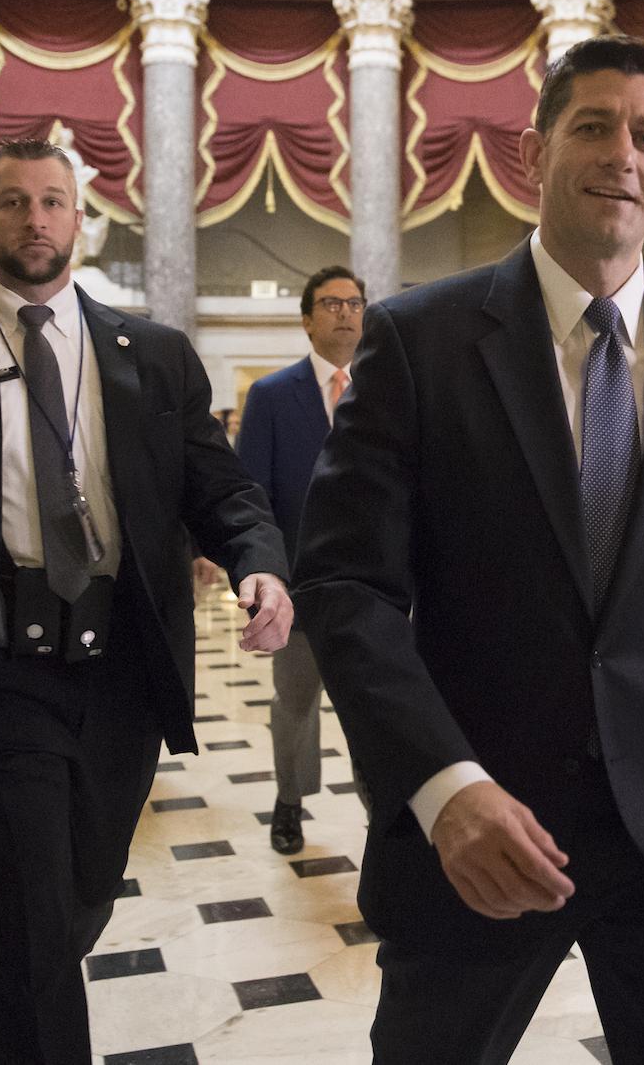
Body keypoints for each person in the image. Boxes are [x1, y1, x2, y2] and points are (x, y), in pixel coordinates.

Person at [285, 35, 644, 1064]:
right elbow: (346, 584)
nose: (620, 154)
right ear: (535, 150)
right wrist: (441, 785)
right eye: (591, 126)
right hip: (484, 826)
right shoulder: (416, 341)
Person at [0, 138, 294, 1065]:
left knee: (78, 892)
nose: (35, 219)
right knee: (38, 924)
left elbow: (221, 488)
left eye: (53, 201)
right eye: (13, 202)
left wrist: (259, 562)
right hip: (0, 670)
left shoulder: (155, 355)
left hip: (124, 670)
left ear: (80, 220)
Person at [236, 263, 367, 855]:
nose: (345, 312)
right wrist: (263, 576)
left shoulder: (385, 387)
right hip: (297, 585)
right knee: (294, 703)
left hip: (370, 589)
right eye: (332, 303)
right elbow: (251, 494)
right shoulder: (270, 396)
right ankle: (289, 802)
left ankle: (383, 810)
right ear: (307, 319)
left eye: (355, 303)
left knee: (375, 706)